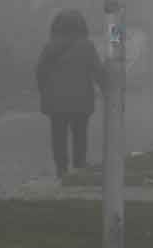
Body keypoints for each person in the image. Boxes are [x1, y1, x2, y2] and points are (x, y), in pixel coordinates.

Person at [35, 10, 108, 180]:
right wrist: (107, 90)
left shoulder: (50, 46)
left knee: (58, 135)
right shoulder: (87, 46)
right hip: (81, 101)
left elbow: (40, 72)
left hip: (56, 102)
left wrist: (44, 91)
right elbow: (97, 72)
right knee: (80, 134)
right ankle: (79, 164)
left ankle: (61, 167)